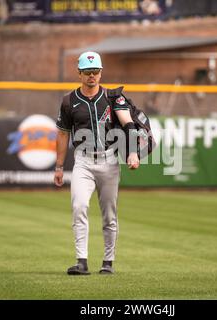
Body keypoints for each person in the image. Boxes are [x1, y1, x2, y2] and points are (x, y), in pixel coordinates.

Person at [54, 51, 140, 275]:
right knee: (79, 206)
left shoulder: (113, 97)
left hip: (109, 160)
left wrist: (132, 153)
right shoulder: (69, 101)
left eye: (96, 72)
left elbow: (128, 124)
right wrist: (59, 166)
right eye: (87, 72)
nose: (92, 76)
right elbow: (63, 134)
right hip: (83, 162)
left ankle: (108, 262)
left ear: (101, 72)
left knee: (109, 215)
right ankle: (81, 261)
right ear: (79, 74)